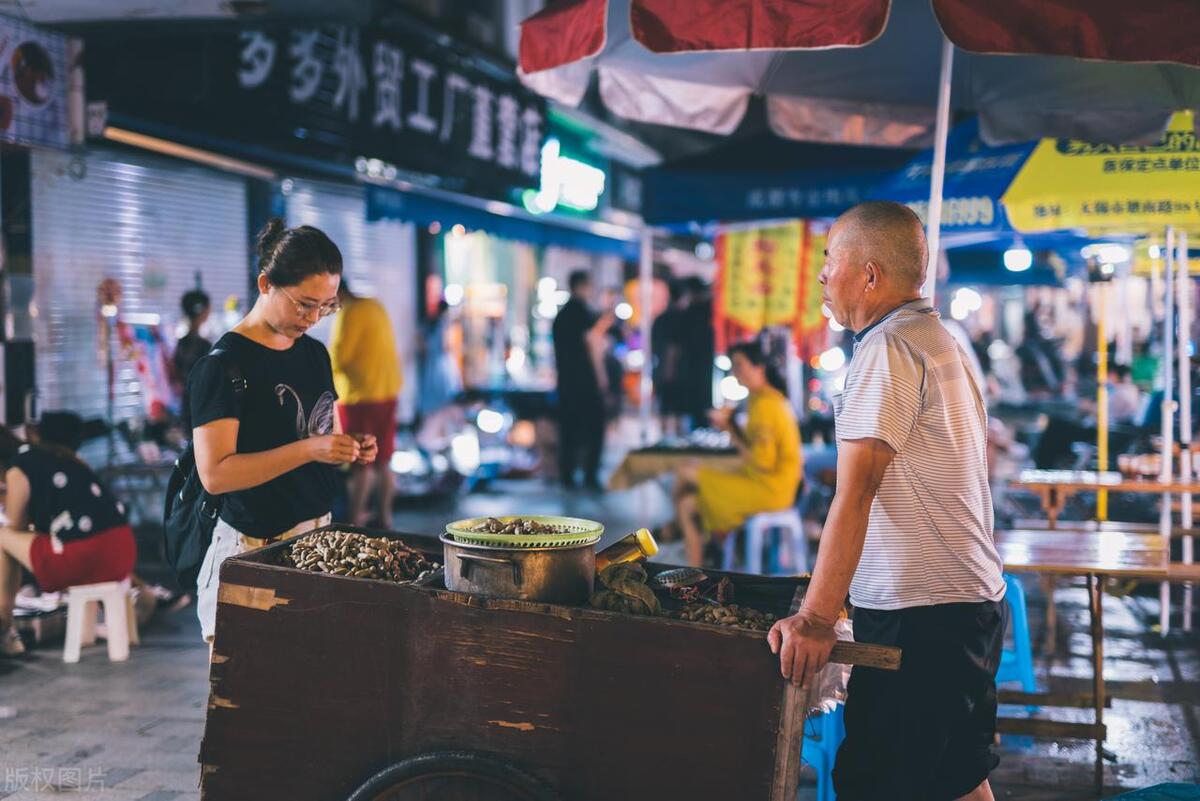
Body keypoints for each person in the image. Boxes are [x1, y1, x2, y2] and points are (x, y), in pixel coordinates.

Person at [767, 201, 1006, 801]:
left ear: (869, 275)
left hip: (922, 615)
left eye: (830, 262)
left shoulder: (888, 348)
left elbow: (856, 493)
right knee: (954, 779)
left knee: (880, 783)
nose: (822, 277)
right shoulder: (937, 339)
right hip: (966, 605)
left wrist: (818, 618)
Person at [187, 218, 377, 645]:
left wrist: (349, 448)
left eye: (327, 306)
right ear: (266, 284)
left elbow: (322, 429)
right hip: (251, 550)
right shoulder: (223, 366)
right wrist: (310, 449)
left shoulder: (314, 354)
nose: (313, 318)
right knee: (251, 702)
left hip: (318, 542)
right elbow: (215, 474)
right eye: (303, 304)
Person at [0, 425, 136, 656]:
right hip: (123, 549)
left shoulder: (18, 469)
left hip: (85, 556)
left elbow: (14, 525)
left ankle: (4, 627)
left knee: (2, 537)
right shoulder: (52, 453)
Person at [673, 340, 802, 567]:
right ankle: (699, 556)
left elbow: (762, 462)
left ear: (759, 367)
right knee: (687, 502)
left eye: (740, 365)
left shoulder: (767, 405)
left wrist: (728, 429)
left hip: (771, 487)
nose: (736, 372)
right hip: (762, 479)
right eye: (734, 366)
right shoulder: (759, 399)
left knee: (686, 472)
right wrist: (730, 428)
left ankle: (698, 548)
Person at [329, 279, 402, 528]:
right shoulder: (375, 306)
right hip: (388, 392)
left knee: (360, 462)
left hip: (359, 397)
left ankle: (353, 522)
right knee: (383, 461)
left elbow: (337, 357)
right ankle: (385, 518)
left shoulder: (349, 312)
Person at [552, 271, 612, 490]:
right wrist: (601, 378)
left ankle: (567, 475)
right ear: (582, 286)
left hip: (566, 382)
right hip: (585, 382)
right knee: (595, 429)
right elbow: (592, 346)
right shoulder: (583, 314)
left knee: (568, 430)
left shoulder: (562, 315)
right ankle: (590, 474)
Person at [418, 301, 463, 418]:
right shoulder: (444, 322)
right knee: (445, 397)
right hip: (441, 364)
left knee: (433, 396)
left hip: (431, 364)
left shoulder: (430, 322)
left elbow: (422, 344)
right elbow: (446, 345)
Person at [172, 289, 213, 397]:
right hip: (200, 404)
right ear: (203, 311)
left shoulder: (181, 342)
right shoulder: (204, 345)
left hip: (184, 402)